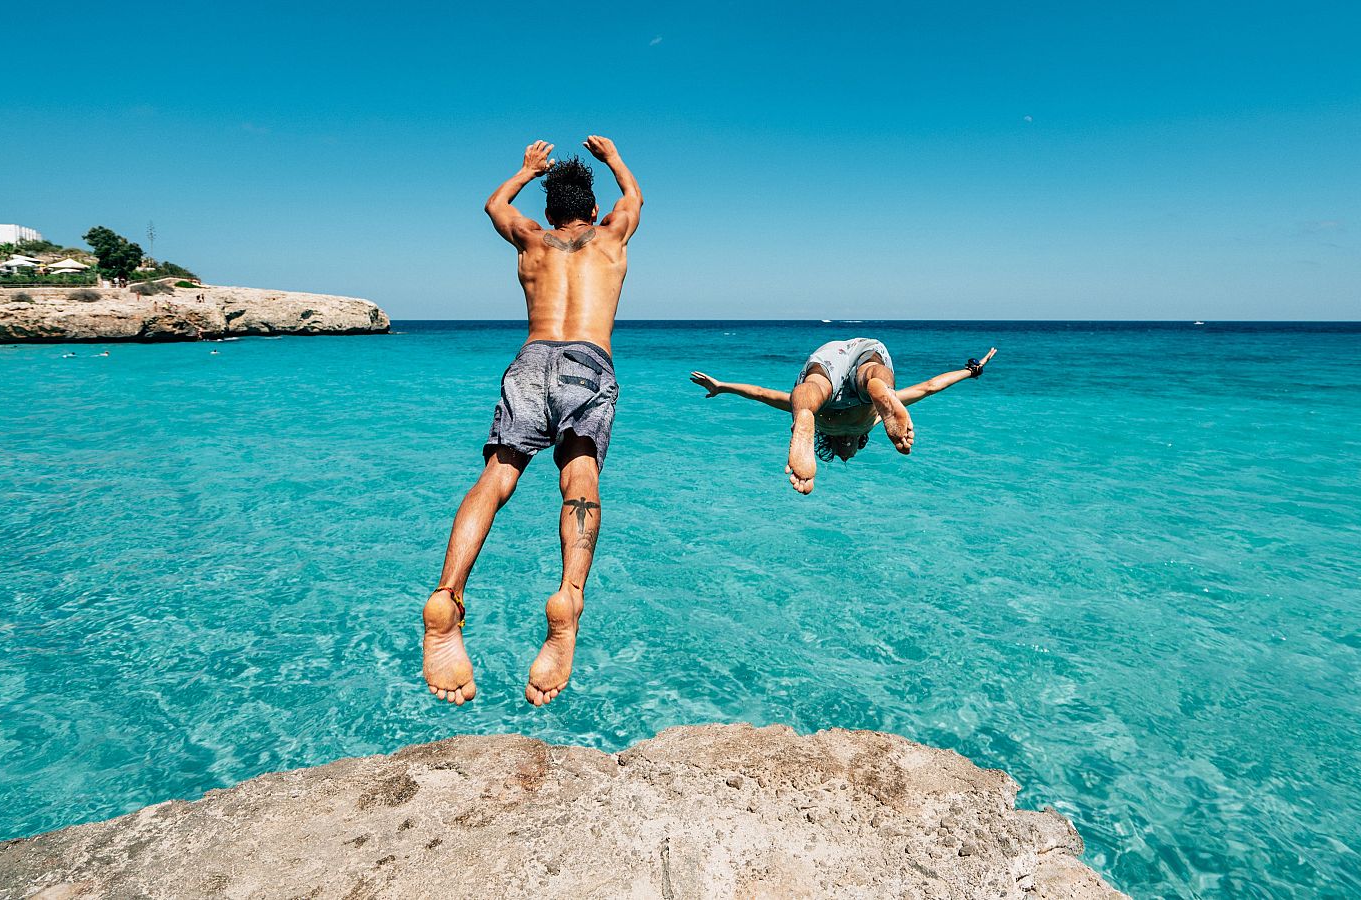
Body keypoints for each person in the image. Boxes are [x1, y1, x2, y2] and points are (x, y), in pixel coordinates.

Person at [422, 135, 642, 707]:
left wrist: (525, 170)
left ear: (548, 213)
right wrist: (614, 160)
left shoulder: (531, 239)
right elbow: (635, 198)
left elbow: (494, 206)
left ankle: (448, 595)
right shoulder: (611, 234)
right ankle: (569, 595)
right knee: (580, 479)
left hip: (530, 359)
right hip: (588, 363)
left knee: (497, 477)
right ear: (592, 211)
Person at [690, 340, 996, 494]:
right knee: (855, 385)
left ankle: (814, 412)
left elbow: (759, 393)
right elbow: (930, 387)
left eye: (843, 457)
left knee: (815, 392)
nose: (847, 456)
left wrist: (723, 387)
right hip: (853, 363)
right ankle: (872, 390)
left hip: (835, 360)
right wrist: (971, 371)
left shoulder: (870, 419)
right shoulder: (871, 419)